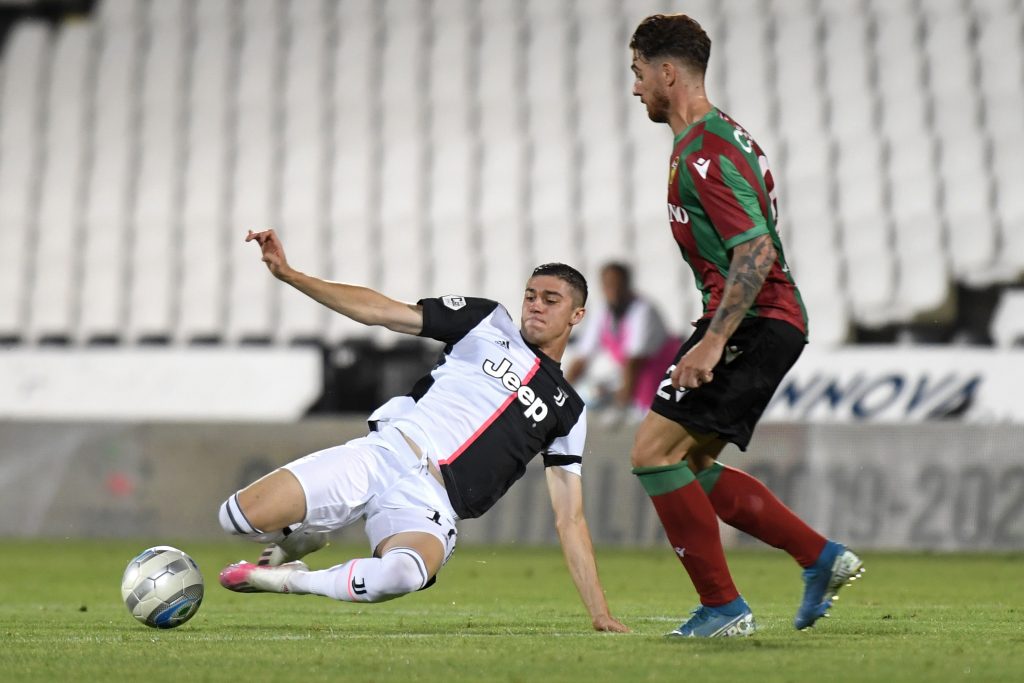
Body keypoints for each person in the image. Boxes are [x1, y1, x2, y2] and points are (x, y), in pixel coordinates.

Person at [216, 229, 628, 634]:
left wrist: (599, 613)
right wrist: (291, 275)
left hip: (431, 503)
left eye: (551, 300)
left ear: (577, 315)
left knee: (402, 575)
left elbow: (570, 517)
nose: (536, 306)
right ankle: (304, 537)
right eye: (530, 296)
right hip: (384, 454)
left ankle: (287, 579)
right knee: (236, 518)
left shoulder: (569, 409)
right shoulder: (486, 321)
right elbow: (381, 311)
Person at [627, 14, 863, 637]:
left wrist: (714, 341)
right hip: (759, 319)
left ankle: (724, 607)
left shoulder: (706, 152)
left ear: (667, 72)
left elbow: (754, 250)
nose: (635, 87)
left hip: (753, 319)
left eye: (639, 72)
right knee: (689, 464)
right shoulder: (711, 139)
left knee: (653, 453)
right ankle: (818, 556)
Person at [565, 262, 680, 423]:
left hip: (661, 377)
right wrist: (561, 391)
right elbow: (583, 356)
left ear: (627, 284)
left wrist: (621, 403)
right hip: (633, 376)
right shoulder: (602, 312)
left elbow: (634, 361)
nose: (614, 290)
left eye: (618, 284)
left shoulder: (643, 310)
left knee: (651, 422)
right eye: (608, 285)